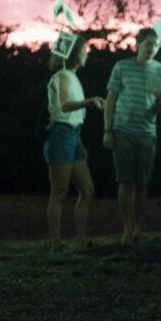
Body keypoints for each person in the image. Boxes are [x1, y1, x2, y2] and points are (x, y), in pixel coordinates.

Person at [103, 28, 161, 244]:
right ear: (138, 44)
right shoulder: (122, 66)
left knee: (142, 183)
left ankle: (139, 229)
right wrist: (107, 130)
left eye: (156, 45)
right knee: (125, 182)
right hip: (123, 130)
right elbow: (110, 100)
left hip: (147, 133)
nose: (152, 48)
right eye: (148, 44)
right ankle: (127, 229)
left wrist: (160, 101)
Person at [43, 36, 105, 252]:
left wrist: (78, 141)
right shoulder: (62, 76)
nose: (86, 54)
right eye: (83, 51)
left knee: (87, 189)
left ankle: (81, 239)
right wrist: (90, 101)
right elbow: (65, 105)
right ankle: (56, 244)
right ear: (73, 54)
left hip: (73, 135)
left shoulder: (73, 77)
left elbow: (72, 113)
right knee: (59, 192)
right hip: (61, 135)